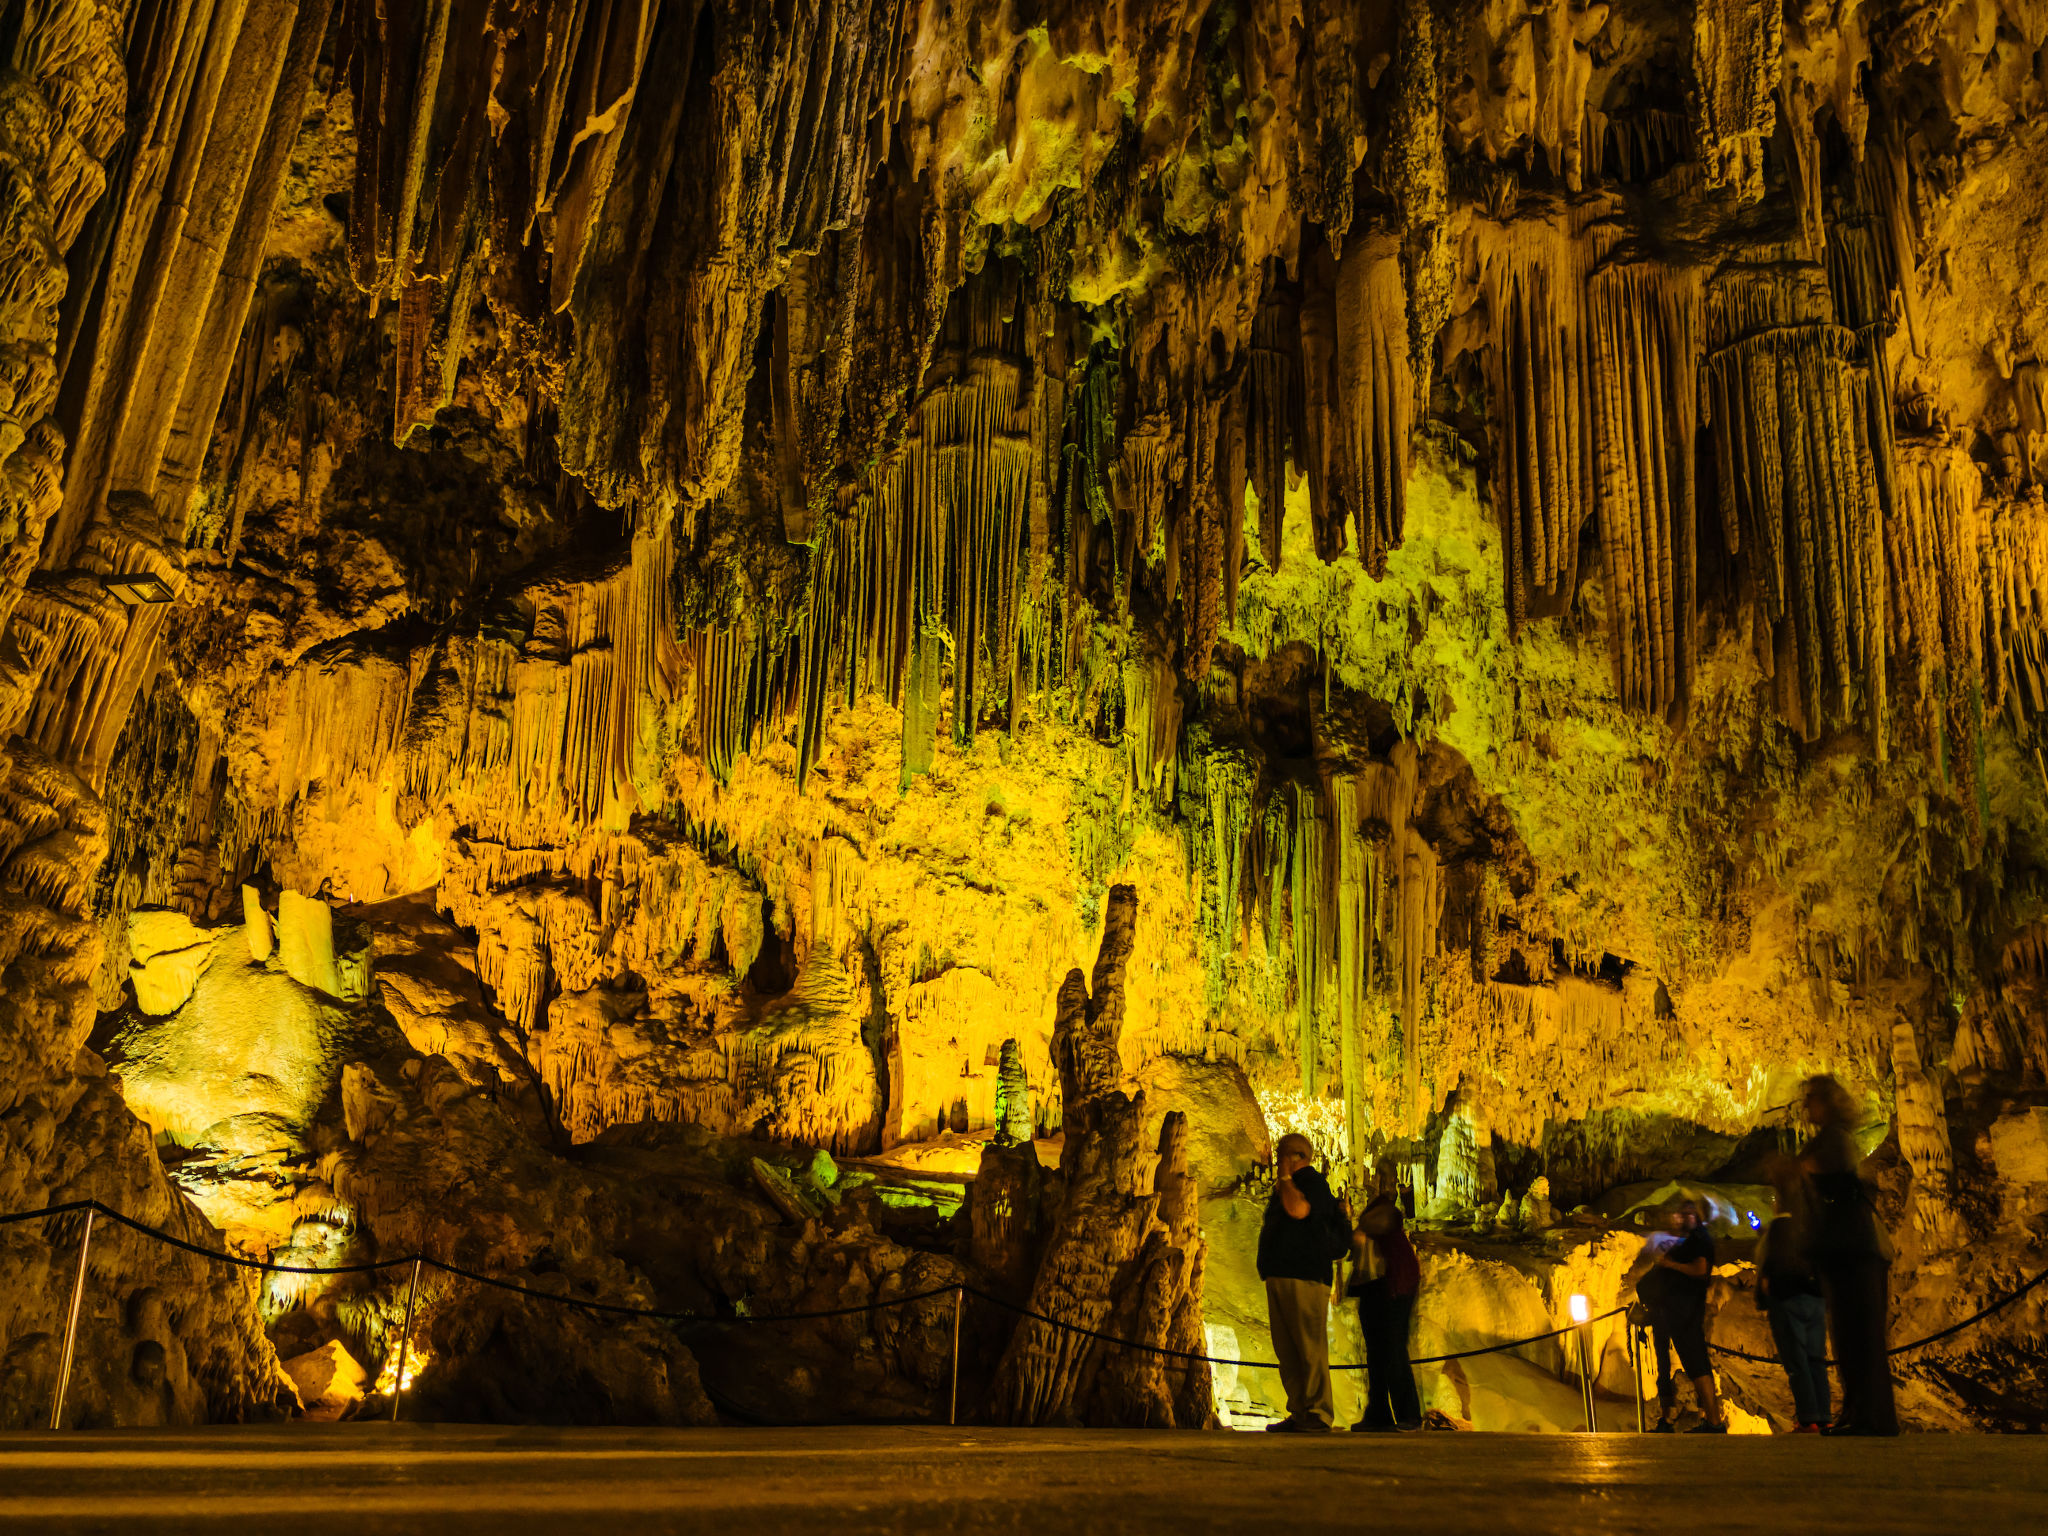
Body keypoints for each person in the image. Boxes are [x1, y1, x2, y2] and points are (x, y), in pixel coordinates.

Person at [1799, 1073, 1899, 1435]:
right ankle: (1860, 1412)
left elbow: (1836, 1189)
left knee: (1859, 1334)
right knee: (1847, 1334)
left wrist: (1797, 1170)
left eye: (1812, 1098)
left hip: (1852, 1247)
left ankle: (1870, 1417)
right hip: (1845, 1247)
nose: (1806, 1105)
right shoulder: (1831, 1139)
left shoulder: (1835, 1140)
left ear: (1828, 1102)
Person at [1257, 1133, 1348, 1432]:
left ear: (1295, 1156)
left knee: (1309, 1349)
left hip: (1305, 1276)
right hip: (1282, 1274)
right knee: (1288, 1351)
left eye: (1281, 1155)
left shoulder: (1311, 1183)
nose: (1275, 1160)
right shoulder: (1290, 1185)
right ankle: (1299, 1411)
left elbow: (1298, 1211)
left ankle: (1319, 1413)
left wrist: (1285, 1177)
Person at [1628, 1200, 1728, 1433]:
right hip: (1670, 1312)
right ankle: (1685, 1419)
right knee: (1685, 1365)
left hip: (1686, 1313)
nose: (1681, 1218)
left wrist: (1671, 1264)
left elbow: (1700, 1269)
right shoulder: (1689, 1240)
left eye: (1687, 1214)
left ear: (1698, 1216)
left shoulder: (1700, 1240)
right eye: (1680, 1214)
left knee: (1698, 1367)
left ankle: (1714, 1422)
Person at [1757, 1158, 1830, 1432]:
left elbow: (1770, 1265)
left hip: (1788, 1299)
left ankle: (1808, 1418)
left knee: (1796, 1362)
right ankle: (1823, 1416)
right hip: (1814, 1299)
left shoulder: (1779, 1228)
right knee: (1816, 1360)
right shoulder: (1811, 1224)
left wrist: (1766, 1294)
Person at [1350, 1193, 1423, 1432]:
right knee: (1376, 1355)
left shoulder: (1388, 1217)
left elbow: (1377, 1222)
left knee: (1393, 1351)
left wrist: (1357, 1224)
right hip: (1374, 1287)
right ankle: (1378, 1413)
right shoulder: (1378, 1228)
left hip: (1393, 1288)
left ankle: (1409, 1415)